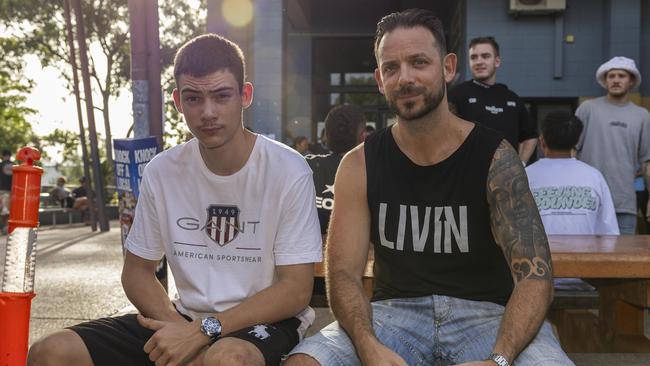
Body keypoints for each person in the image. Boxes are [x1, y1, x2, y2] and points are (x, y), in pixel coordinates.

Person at [286, 8, 572, 366]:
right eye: (391, 68)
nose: (405, 78)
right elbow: (343, 273)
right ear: (379, 79)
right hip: (392, 315)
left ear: (448, 67)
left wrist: (499, 359)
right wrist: (366, 345)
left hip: (488, 316)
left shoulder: (495, 157)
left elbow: (535, 275)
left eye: (419, 62)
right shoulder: (360, 163)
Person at [28, 33, 322, 366]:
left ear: (245, 95)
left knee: (225, 359)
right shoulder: (162, 171)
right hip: (184, 317)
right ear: (178, 102)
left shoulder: (287, 169)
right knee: (50, 353)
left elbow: (296, 288)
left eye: (222, 95)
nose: (208, 112)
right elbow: (137, 272)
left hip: (264, 322)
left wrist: (204, 332)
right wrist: (179, 329)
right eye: (194, 98)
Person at [576, 56, 650, 235]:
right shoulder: (588, 108)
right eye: (611, 76)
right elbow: (571, 151)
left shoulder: (642, 115)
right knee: (584, 260)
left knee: (624, 260)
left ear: (631, 81)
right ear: (605, 80)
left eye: (621, 76)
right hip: (587, 201)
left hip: (624, 203)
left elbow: (647, 162)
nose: (616, 80)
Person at [448, 36, 537, 165]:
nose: (479, 61)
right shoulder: (457, 94)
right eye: (474, 57)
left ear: (497, 61)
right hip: (467, 174)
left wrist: (521, 164)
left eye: (485, 56)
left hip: (505, 178)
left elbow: (530, 136)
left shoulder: (512, 98)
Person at [527, 111, 619, 236]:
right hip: (586, 255)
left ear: (542, 141)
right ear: (576, 142)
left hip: (538, 255)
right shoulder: (593, 176)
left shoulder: (525, 176)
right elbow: (609, 232)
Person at [306, 104, 367, 236]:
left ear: (326, 136)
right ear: (363, 137)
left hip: (309, 252)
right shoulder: (374, 173)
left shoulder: (303, 166)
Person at [0, 149, 12, 234]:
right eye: (5, 155)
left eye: (8, 155)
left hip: (11, 189)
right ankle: (4, 227)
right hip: (2, 189)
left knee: (7, 209)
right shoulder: (1, 165)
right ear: (3, 156)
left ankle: (6, 227)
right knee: (4, 209)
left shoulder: (14, 165)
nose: (7, 156)